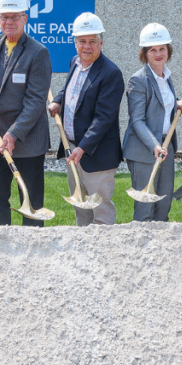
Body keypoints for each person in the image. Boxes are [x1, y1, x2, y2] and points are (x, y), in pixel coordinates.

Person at [0, 0, 51, 226]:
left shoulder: (38, 53)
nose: (8, 22)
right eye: (4, 17)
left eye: (14, 17)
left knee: (31, 202)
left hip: (28, 139)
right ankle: (0, 245)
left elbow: (35, 101)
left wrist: (14, 134)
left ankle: (33, 249)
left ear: (25, 19)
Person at [47, 12, 124, 226]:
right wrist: (59, 101)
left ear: (102, 42)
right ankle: (83, 248)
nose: (87, 47)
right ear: (75, 43)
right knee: (80, 206)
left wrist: (82, 148)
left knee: (100, 208)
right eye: (82, 41)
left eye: (92, 41)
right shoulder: (75, 62)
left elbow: (104, 119)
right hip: (73, 148)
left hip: (95, 153)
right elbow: (70, 90)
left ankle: (104, 253)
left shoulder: (111, 74)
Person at [122, 23, 182, 222]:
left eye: (162, 48)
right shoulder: (138, 80)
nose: (158, 53)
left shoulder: (165, 76)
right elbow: (137, 121)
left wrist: (175, 105)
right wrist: (154, 146)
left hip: (166, 147)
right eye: (153, 50)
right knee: (145, 210)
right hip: (145, 151)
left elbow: (159, 103)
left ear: (168, 50)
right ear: (144, 53)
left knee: (163, 207)